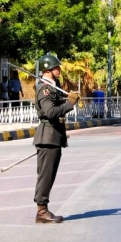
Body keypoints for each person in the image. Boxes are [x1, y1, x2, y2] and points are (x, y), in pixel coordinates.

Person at [32, 54, 80, 223]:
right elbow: (50, 112)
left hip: (53, 135)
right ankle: (42, 211)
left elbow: (56, 106)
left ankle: (43, 209)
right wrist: (69, 104)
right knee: (46, 175)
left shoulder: (53, 87)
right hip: (47, 135)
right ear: (48, 69)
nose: (59, 70)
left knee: (49, 175)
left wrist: (67, 99)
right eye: (56, 67)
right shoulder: (44, 88)